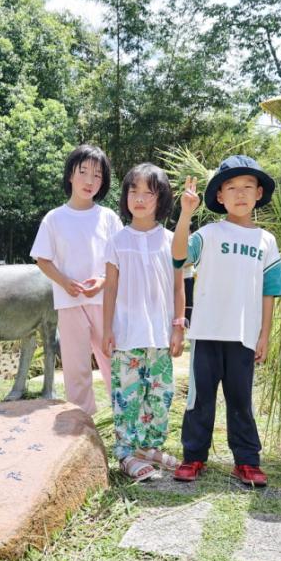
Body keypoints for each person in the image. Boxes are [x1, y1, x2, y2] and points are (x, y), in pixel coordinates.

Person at [171, 155, 281, 486]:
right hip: (207, 332)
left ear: (259, 193)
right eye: (232, 187)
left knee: (241, 400)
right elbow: (178, 256)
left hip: (244, 336)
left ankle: (247, 461)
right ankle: (193, 457)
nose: (240, 193)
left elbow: (270, 291)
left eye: (248, 187)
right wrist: (185, 214)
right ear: (219, 197)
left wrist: (265, 333)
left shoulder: (266, 241)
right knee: (200, 400)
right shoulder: (208, 234)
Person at [102, 163, 186, 481]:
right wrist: (107, 328)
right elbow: (109, 288)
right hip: (126, 334)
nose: (139, 198)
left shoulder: (170, 241)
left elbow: (179, 286)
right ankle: (126, 452)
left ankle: (150, 447)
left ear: (160, 198)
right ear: (124, 197)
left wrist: (179, 325)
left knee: (160, 394)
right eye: (132, 191)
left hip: (161, 334)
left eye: (148, 193)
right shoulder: (117, 240)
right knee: (128, 395)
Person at [31, 145, 123, 415]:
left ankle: (126, 423)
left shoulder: (108, 218)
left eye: (97, 175)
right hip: (69, 303)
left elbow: (119, 260)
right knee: (76, 368)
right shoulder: (54, 219)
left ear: (103, 182)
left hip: (104, 302)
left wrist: (103, 280)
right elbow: (43, 260)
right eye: (83, 172)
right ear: (70, 174)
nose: (89, 181)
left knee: (114, 362)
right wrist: (64, 281)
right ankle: (84, 427)